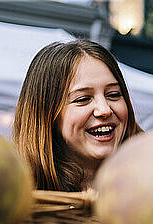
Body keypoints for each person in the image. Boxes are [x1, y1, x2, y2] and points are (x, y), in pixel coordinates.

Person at [13, 40, 142, 192]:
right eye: (83, 99)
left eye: (113, 95)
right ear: (47, 114)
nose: (104, 109)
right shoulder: (16, 194)